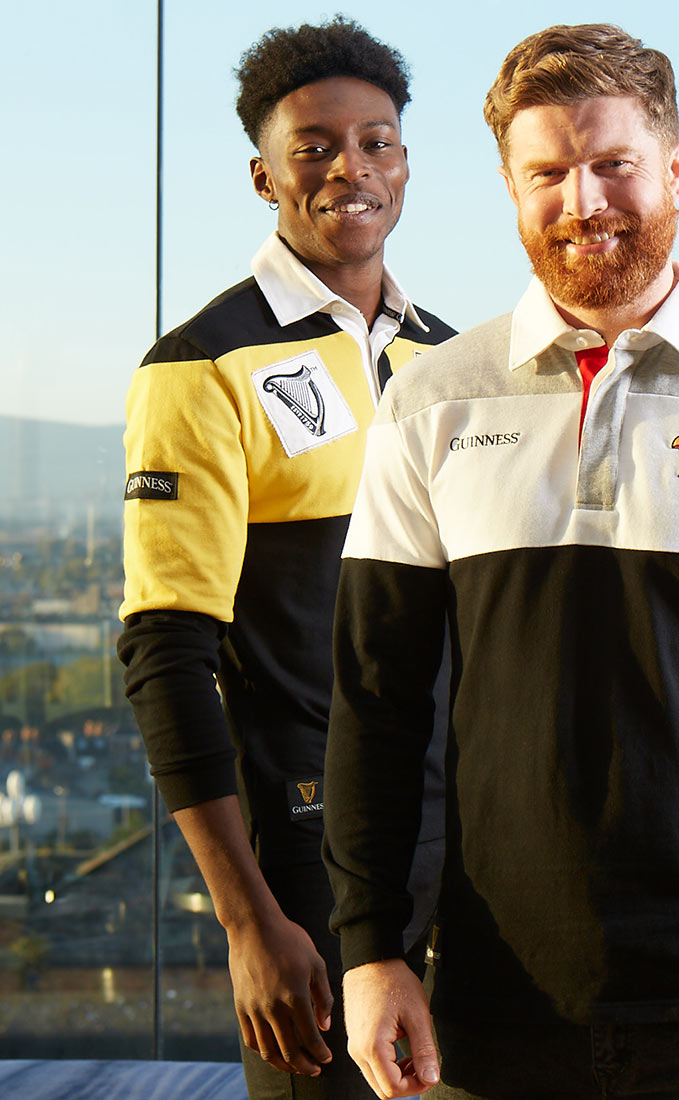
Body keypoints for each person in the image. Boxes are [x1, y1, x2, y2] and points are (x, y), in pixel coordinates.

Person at [324, 23, 679, 1100]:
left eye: (612, 163)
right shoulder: (428, 404)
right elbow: (375, 702)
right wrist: (369, 946)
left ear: (675, 166)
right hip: (478, 1004)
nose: (581, 201)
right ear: (507, 185)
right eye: (546, 172)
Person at [116, 17, 453, 1100]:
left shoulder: (449, 361)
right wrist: (247, 917)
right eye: (313, 146)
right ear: (262, 174)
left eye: (376, 141)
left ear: (403, 162)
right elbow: (165, 650)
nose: (349, 168)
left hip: (466, 828)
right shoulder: (200, 365)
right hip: (310, 844)